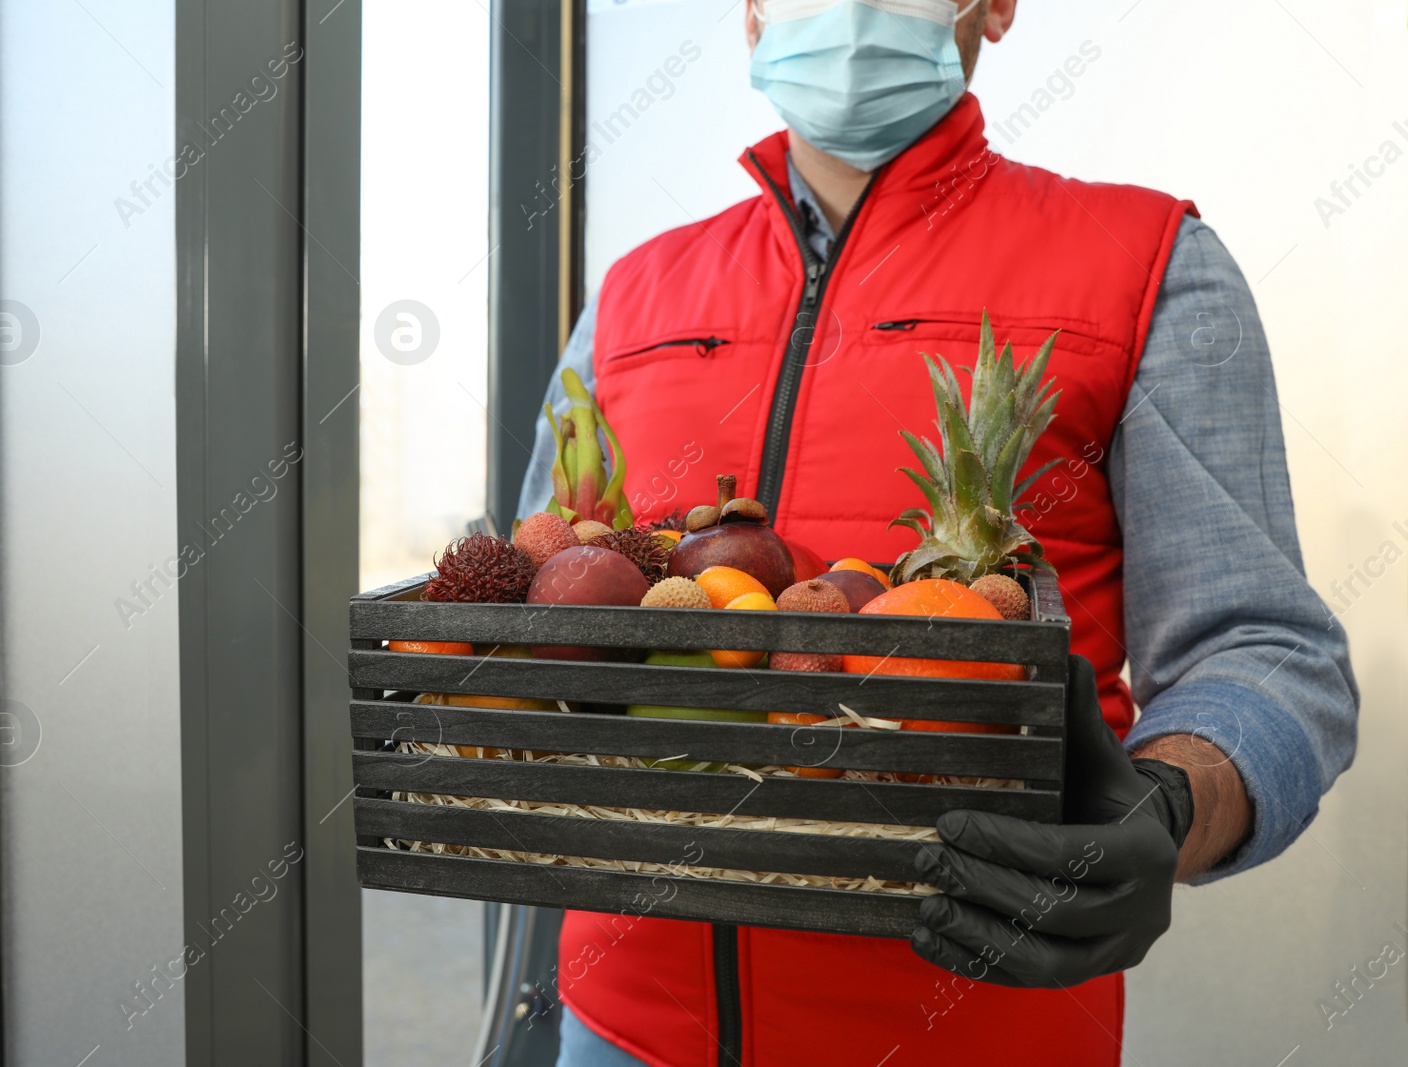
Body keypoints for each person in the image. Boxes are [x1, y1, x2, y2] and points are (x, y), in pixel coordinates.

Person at [516, 1, 1358, 1064]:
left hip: (974, 1027)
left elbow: (1268, 650)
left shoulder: (1149, 265)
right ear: (749, 15)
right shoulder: (632, 294)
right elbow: (543, 584)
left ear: (994, 6)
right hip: (620, 1026)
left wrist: (1175, 798)